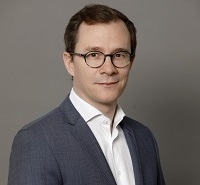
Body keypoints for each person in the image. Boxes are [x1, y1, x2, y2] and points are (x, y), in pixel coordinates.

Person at [8, 4, 165, 185]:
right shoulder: (37, 140)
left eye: (119, 55)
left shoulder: (144, 137)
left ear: (131, 62)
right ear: (70, 63)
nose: (109, 69)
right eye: (93, 55)